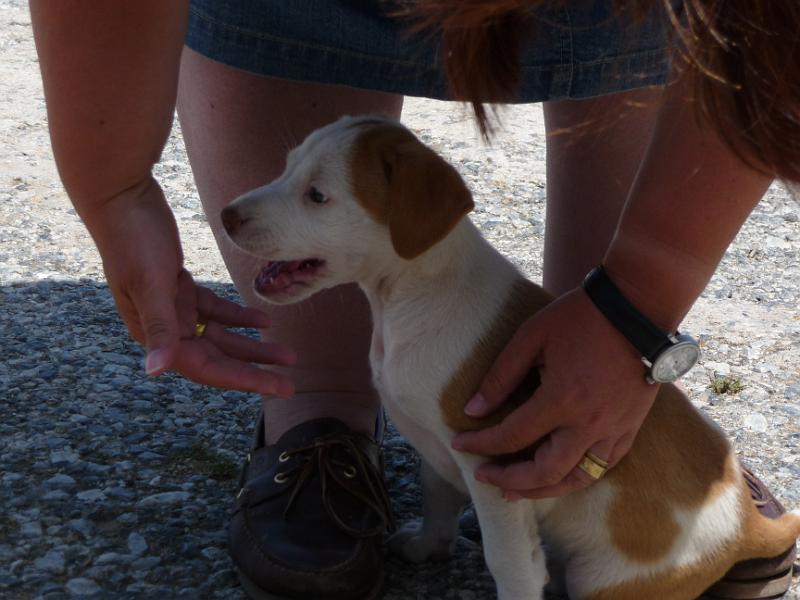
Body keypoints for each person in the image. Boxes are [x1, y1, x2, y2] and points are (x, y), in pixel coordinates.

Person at [29, 1, 797, 599]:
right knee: (290, 16)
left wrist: (638, 307)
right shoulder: (426, 320)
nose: (243, 210)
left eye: (318, 196)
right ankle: (321, 416)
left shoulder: (452, 329)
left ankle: (679, 471)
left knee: (626, 39)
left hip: (618, 561)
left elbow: (764, 45)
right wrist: (114, 192)